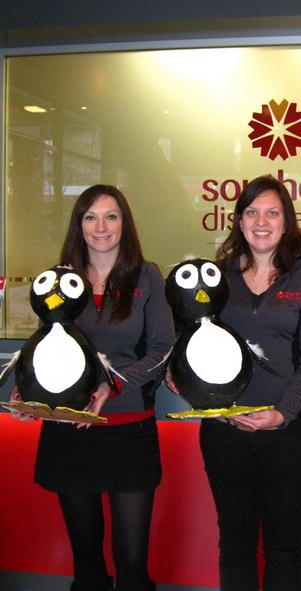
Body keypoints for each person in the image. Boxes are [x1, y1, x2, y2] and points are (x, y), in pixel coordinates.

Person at [168, 175, 301, 590]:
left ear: (287, 221)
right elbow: (188, 338)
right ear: (239, 221)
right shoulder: (216, 277)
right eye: (252, 212)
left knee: (284, 546)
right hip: (225, 434)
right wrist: (179, 373)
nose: (262, 221)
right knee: (236, 543)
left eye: (272, 212)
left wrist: (281, 413)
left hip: (288, 435)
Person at [11, 184, 175, 591]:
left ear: (125, 223)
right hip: (70, 433)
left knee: (131, 562)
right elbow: (45, 347)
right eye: (90, 217)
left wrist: (112, 386)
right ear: (78, 225)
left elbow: (162, 348)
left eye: (111, 216)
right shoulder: (60, 280)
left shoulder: (147, 275)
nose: (101, 227)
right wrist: (29, 393)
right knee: (86, 558)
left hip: (129, 431)